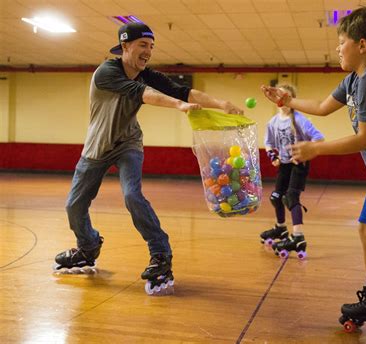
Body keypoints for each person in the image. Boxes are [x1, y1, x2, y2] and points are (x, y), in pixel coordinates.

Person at [261, 7, 366, 344]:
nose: (338, 48)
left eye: (342, 43)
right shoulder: (354, 78)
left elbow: (364, 139)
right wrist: (289, 101)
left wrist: (316, 149)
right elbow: (325, 107)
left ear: (362, 45)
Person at [53, 22, 243, 296]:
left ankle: (160, 253)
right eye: (143, 45)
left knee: (132, 195)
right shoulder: (107, 72)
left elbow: (183, 91)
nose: (148, 52)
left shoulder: (147, 74)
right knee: (74, 205)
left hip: (129, 143)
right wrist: (178, 105)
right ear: (125, 46)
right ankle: (88, 246)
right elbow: (141, 93)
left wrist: (221, 103)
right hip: (97, 147)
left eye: (151, 47)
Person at [260, 84, 324, 259]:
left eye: (285, 96)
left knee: (291, 197)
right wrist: (273, 156)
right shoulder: (273, 122)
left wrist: (306, 151)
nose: (281, 100)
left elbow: (319, 137)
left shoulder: (299, 119)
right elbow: (268, 142)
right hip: (285, 164)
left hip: (299, 163)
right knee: (276, 197)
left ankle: (298, 236)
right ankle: (281, 228)